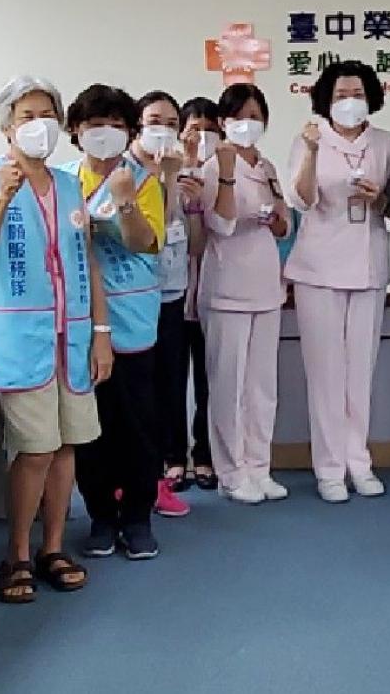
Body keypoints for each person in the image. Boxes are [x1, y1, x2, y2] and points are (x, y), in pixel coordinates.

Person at [0, 75, 113, 603]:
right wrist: (5, 196)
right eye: (27, 116)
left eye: (48, 115)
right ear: (7, 127)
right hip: (18, 339)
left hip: (70, 339)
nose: (39, 125)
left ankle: (53, 547)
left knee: (66, 446)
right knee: (36, 450)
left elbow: (86, 262)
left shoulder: (69, 185)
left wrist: (100, 333)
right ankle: (17, 554)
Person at [285, 61, 390, 504]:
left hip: (368, 266)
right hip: (318, 269)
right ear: (325, 100)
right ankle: (330, 468)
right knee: (326, 375)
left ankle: (359, 461)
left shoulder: (386, 143)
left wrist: (380, 198)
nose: (349, 102)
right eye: (340, 95)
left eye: (357, 94)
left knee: (359, 374)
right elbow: (300, 199)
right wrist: (311, 151)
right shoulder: (309, 138)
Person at [61, 84, 165, 561]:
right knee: (90, 428)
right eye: (94, 125)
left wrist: (124, 201)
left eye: (116, 125)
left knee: (138, 425)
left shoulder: (142, 181)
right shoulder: (65, 181)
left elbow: (144, 242)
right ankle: (101, 515)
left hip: (133, 321)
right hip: (81, 323)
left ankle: (138, 517)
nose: (105, 133)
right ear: (76, 130)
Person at [198, 83, 291, 505]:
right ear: (223, 122)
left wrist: (274, 220)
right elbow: (220, 224)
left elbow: (284, 225)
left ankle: (259, 466)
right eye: (237, 117)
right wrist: (227, 173)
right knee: (229, 386)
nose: (246, 124)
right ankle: (231, 472)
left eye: (254, 117)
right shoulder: (213, 167)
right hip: (227, 289)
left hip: (266, 286)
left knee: (261, 387)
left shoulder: (267, 166)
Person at [134, 90, 202, 519]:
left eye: (171, 123)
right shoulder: (125, 171)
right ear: (137, 127)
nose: (163, 130)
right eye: (154, 121)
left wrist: (181, 189)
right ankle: (131, 483)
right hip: (130, 300)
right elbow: (149, 231)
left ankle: (161, 475)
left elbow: (188, 239)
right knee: (134, 394)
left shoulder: (178, 170)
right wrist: (166, 181)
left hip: (171, 294)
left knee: (169, 387)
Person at [166, 97, 219, 492]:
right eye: (193, 129)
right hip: (171, 294)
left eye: (210, 130)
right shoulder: (167, 171)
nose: (201, 137)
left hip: (213, 293)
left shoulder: (223, 175)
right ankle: (173, 457)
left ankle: (205, 455)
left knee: (208, 381)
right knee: (170, 380)